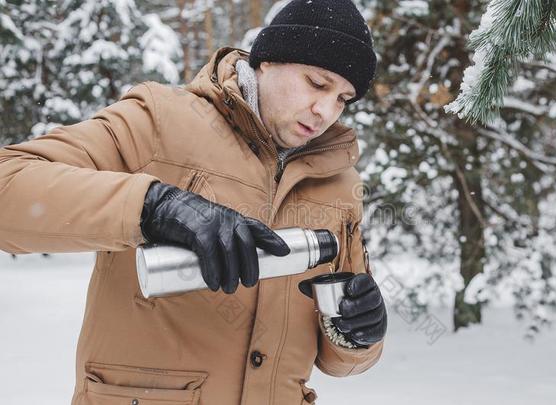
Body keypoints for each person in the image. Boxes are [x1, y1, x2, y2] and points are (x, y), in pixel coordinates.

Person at [0, 0, 387, 403]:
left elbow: (340, 359)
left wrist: (359, 334)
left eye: (343, 99)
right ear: (268, 61)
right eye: (317, 83)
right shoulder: (159, 121)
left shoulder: (339, 182)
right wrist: (150, 206)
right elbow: (7, 185)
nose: (325, 110)